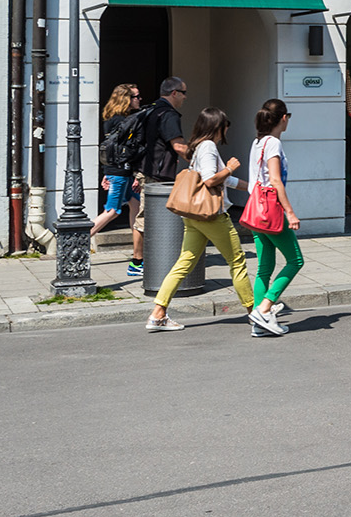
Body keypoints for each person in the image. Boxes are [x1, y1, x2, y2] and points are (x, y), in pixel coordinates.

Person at [145, 107, 260, 333]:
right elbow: (210, 180)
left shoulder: (198, 147)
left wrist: (251, 187)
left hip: (194, 217)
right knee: (237, 262)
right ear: (218, 126)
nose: (227, 129)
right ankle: (255, 312)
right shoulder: (208, 147)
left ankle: (158, 313)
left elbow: (223, 181)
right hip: (212, 217)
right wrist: (229, 167)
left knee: (184, 263)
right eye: (226, 125)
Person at [247, 98, 304, 336]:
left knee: (264, 269)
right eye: (288, 117)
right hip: (272, 212)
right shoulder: (273, 144)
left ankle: (259, 324)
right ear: (283, 118)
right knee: (296, 261)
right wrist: (290, 212)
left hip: (255, 212)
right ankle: (265, 307)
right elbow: (275, 180)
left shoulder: (257, 142)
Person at [91, 83, 146, 276]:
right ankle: (76, 244)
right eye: (136, 96)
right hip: (121, 173)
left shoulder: (111, 120)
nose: (139, 99)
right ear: (126, 99)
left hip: (117, 171)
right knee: (112, 210)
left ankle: (138, 254)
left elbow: (111, 149)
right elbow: (131, 149)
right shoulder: (126, 122)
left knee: (136, 205)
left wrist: (107, 172)